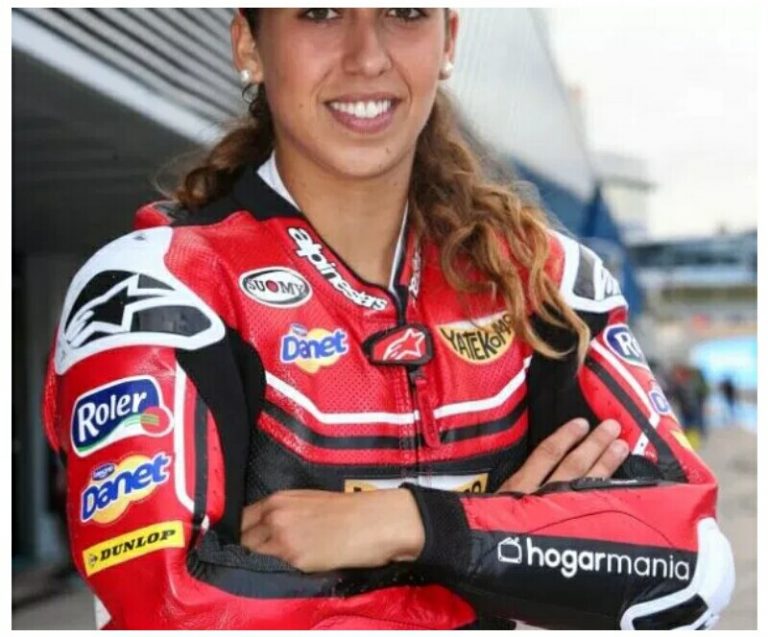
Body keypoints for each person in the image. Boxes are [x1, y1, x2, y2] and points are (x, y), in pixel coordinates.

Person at [42, 8, 734, 630]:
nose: (368, 56)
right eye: (321, 13)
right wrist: (496, 567)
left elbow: (693, 566)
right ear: (250, 44)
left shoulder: (544, 279)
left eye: (404, 12)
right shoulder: (154, 286)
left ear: (448, 41)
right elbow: (170, 613)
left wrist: (417, 526)